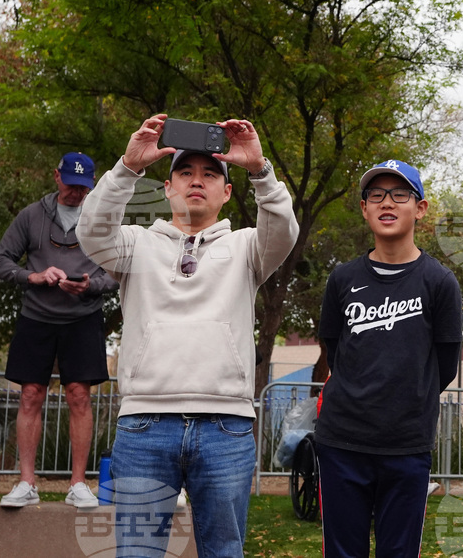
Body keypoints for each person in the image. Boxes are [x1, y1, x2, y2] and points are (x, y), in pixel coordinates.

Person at [76, 114, 298, 556]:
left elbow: (283, 232)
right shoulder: (135, 245)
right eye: (185, 172)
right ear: (168, 188)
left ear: (227, 192)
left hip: (225, 428)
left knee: (224, 550)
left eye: (211, 173)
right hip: (144, 426)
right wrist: (127, 167)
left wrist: (259, 169)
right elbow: (91, 232)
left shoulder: (248, 247)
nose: (197, 180)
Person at [314, 160, 463, 557]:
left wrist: (405, 401)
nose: (387, 202)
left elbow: (444, 366)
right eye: (376, 195)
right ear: (364, 208)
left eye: (400, 194)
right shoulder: (343, 279)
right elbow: (334, 348)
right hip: (342, 443)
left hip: (406, 445)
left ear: (421, 208)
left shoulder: (440, 283)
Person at [0, 152, 119, 509]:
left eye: (83, 188)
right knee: (31, 394)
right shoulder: (31, 216)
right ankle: (26, 483)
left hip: (83, 319)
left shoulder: (101, 219)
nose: (76, 193)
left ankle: (78, 485)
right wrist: (32, 276)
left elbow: (117, 269)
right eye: (71, 185)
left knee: (79, 396)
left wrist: (91, 285)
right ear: (56, 177)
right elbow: (1, 260)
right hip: (36, 317)